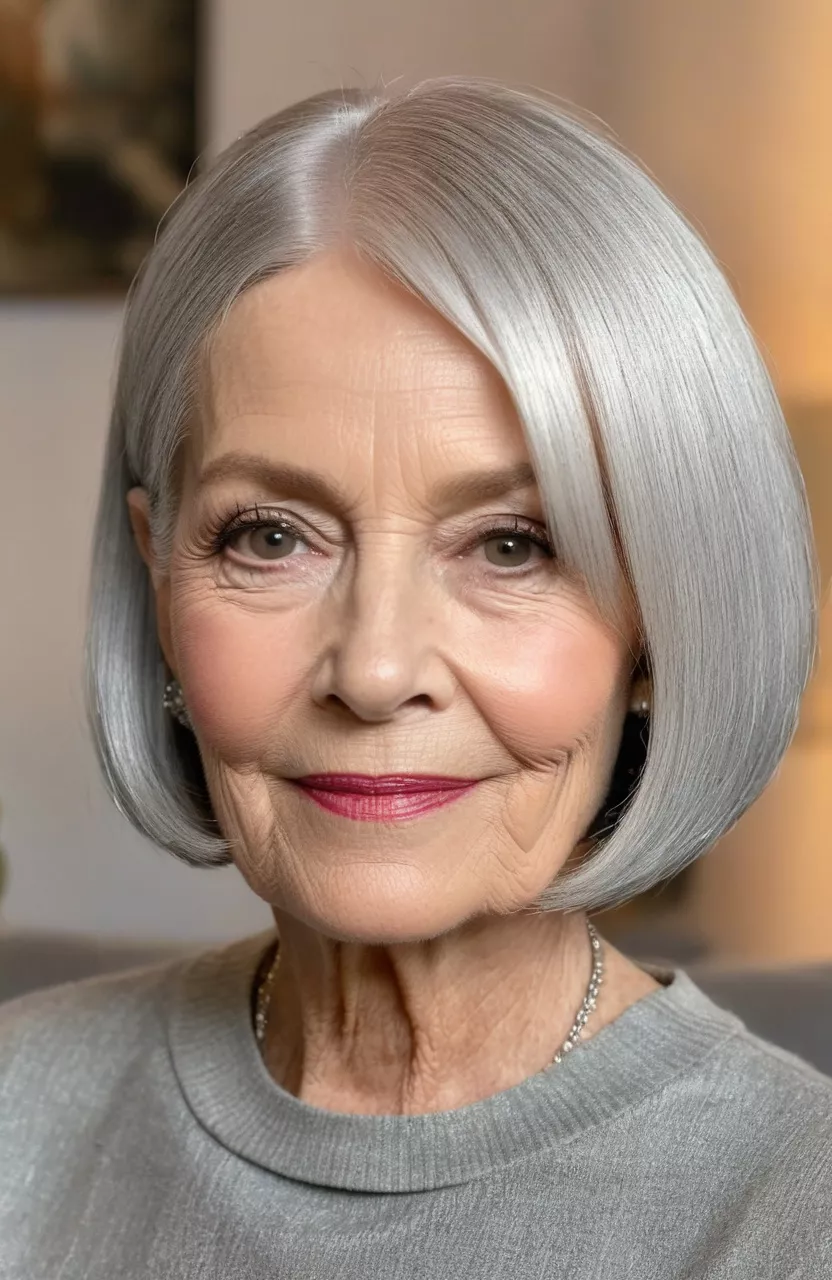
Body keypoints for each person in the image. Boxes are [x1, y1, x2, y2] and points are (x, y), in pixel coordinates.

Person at [1, 77, 829, 1278]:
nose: (377, 670)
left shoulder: (794, 1211)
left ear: (656, 620)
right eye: (270, 536)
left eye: (511, 543)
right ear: (157, 580)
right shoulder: (19, 1113)